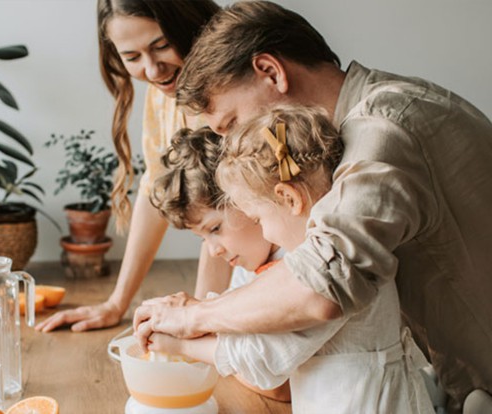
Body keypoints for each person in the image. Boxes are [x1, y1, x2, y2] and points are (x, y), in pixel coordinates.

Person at [132, 1, 492, 412]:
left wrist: (194, 316)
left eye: (231, 125)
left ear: (271, 72)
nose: (232, 147)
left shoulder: (383, 130)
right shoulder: (360, 129)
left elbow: (321, 284)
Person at [150, 105, 434, 413]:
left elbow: (265, 355)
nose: (266, 233)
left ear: (288, 198)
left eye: (258, 218)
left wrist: (181, 346)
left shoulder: (323, 268)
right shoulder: (310, 253)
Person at [35, 0, 227, 333]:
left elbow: (225, 213)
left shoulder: (229, 88)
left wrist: (201, 318)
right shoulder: (163, 91)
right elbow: (155, 189)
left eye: (162, 46)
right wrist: (116, 303)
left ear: (189, 22)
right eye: (132, 58)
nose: (153, 71)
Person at [148, 126, 290, 402]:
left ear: (249, 197)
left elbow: (278, 386)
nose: (213, 251)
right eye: (202, 238)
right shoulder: (247, 267)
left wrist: (182, 345)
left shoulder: (296, 259)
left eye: (214, 228)